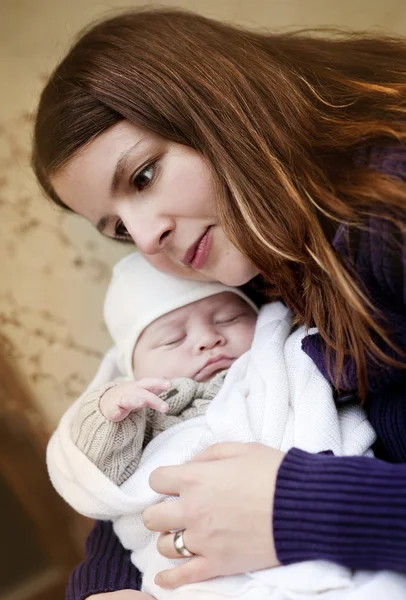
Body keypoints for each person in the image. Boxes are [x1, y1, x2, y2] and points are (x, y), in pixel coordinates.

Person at [31, 8, 406, 600]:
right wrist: (109, 586)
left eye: (145, 175)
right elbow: (158, 416)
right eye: (118, 228)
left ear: (218, 108)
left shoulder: (389, 215)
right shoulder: (255, 264)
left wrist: (298, 510)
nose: (145, 236)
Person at [48, 252, 393, 600]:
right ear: (132, 369)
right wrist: (109, 413)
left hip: (326, 534)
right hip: (200, 568)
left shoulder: (280, 358)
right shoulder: (148, 411)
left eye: (228, 318)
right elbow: (98, 478)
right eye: (171, 339)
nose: (208, 339)